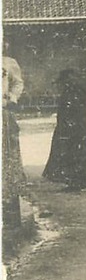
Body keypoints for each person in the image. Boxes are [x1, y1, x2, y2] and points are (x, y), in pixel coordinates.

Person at [43, 70, 86, 191]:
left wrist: (67, 126)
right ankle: (84, 179)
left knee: (73, 153)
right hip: (80, 126)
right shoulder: (78, 89)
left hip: (74, 127)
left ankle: (75, 181)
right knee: (81, 152)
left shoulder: (72, 91)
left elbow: (71, 111)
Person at [2, 42, 26, 233]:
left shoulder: (8, 63)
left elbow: (17, 82)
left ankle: (9, 211)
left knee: (7, 157)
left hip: (3, 114)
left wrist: (12, 98)